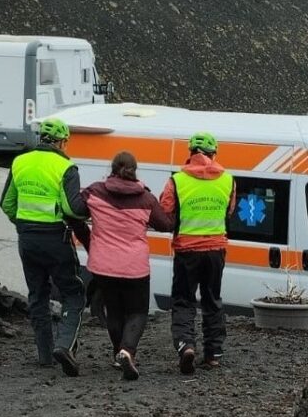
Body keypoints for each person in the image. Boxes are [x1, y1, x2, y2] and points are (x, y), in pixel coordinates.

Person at [0, 118, 87, 377]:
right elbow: (73, 209)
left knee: (37, 294)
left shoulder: (20, 162)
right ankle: (65, 345)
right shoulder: (66, 167)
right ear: (61, 141)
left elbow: (6, 204)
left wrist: (23, 224)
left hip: (27, 238)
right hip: (56, 238)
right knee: (74, 292)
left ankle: (45, 355)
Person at [80, 151, 173, 380]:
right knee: (138, 311)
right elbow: (165, 225)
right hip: (134, 266)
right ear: (135, 170)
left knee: (114, 311)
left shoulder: (94, 192)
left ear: (112, 168)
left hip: (103, 265)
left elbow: (74, 210)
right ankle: (127, 350)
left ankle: (116, 354)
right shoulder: (146, 199)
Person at [159, 132, 235, 374]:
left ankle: (186, 346)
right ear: (214, 154)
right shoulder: (228, 180)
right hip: (216, 250)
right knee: (213, 300)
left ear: (190, 153)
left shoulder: (177, 181)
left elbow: (165, 213)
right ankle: (213, 354)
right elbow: (229, 212)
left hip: (186, 251)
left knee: (183, 301)